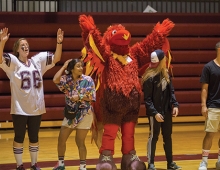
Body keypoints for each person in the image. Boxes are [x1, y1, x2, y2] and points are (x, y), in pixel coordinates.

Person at [0, 27, 64, 170]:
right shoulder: (14, 63)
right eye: (22, 45)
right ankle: (19, 165)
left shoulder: (37, 61)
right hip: (19, 109)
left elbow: (56, 58)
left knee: (34, 137)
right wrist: (2, 42)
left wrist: (59, 43)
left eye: (27, 45)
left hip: (36, 108)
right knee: (19, 137)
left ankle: (34, 164)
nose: (25, 46)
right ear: (17, 49)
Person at [52, 58, 96, 170]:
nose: (81, 68)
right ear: (72, 69)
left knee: (79, 141)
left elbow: (92, 97)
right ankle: (61, 164)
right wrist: (63, 66)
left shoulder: (88, 80)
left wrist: (80, 97)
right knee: (61, 138)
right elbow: (55, 79)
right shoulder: (66, 80)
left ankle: (82, 166)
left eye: (82, 66)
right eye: (78, 66)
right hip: (70, 114)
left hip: (85, 114)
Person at [142, 49, 182, 170]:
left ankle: (170, 163)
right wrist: (155, 113)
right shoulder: (149, 77)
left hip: (167, 111)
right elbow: (147, 99)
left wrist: (175, 105)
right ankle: (151, 163)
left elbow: (171, 91)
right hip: (155, 113)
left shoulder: (166, 73)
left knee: (167, 136)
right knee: (153, 137)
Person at [198, 41, 220, 170]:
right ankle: (204, 161)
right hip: (213, 106)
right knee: (210, 134)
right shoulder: (208, 67)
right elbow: (204, 88)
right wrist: (203, 105)